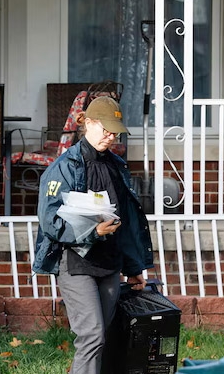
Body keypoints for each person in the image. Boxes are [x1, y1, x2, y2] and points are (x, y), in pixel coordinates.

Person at [32, 96, 154, 374]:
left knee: (105, 337)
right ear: (87, 123)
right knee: (91, 335)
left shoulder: (116, 165)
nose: (111, 137)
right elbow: (49, 221)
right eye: (105, 130)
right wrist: (92, 231)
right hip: (75, 262)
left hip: (109, 262)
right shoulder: (63, 167)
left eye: (115, 132)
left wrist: (133, 267)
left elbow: (126, 222)